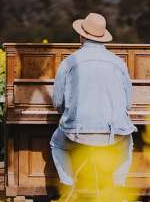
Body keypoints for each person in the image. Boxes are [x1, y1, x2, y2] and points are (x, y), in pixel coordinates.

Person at [50, 12, 136, 192]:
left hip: (77, 133)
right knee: (127, 144)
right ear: (103, 37)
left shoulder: (68, 62)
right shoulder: (118, 63)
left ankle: (68, 184)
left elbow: (58, 102)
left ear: (81, 35)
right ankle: (117, 186)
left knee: (57, 144)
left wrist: (70, 111)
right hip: (112, 134)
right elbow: (128, 103)